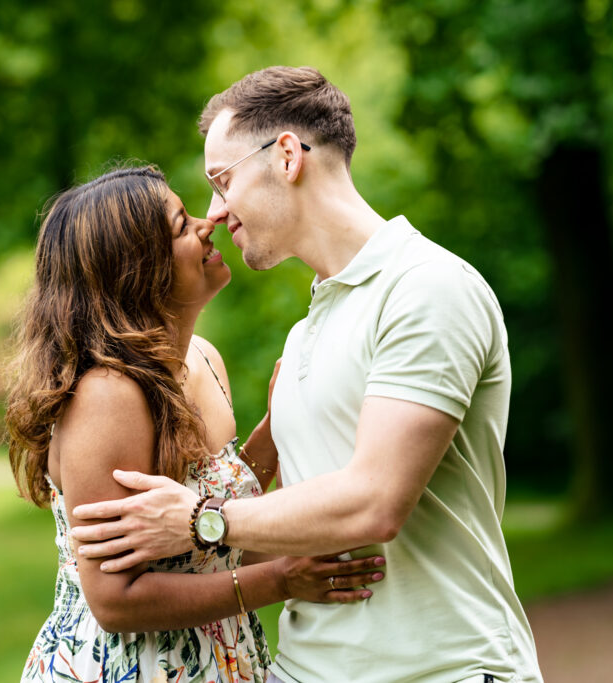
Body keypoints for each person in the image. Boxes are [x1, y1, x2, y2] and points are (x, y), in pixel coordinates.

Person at [70, 68, 545, 683]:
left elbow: (375, 504)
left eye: (221, 180)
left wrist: (197, 520)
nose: (214, 212)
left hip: (443, 669)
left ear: (287, 155)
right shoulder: (302, 336)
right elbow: (293, 530)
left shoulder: (425, 289)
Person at [4, 165, 385, 683]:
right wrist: (283, 579)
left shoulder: (202, 358)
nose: (209, 224)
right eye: (182, 226)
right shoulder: (108, 395)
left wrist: (276, 428)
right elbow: (116, 600)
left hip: (217, 659)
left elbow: (205, 527)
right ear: (139, 269)